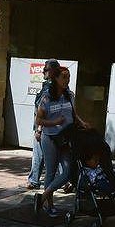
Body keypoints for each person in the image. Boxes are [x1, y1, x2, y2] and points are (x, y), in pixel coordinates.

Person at [33, 66, 88, 218]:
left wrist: (82, 123)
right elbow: (38, 119)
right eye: (64, 77)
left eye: (68, 77)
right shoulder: (46, 97)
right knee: (50, 172)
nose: (67, 80)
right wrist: (54, 122)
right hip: (50, 138)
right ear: (55, 79)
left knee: (67, 172)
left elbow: (73, 114)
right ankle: (49, 205)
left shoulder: (69, 95)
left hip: (66, 138)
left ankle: (42, 197)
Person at [26, 59, 59, 190]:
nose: (43, 71)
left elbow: (44, 109)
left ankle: (34, 180)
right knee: (49, 156)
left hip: (45, 128)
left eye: (46, 69)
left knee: (41, 155)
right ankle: (34, 180)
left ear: (52, 71)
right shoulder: (50, 86)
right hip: (48, 127)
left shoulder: (51, 88)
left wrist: (39, 129)